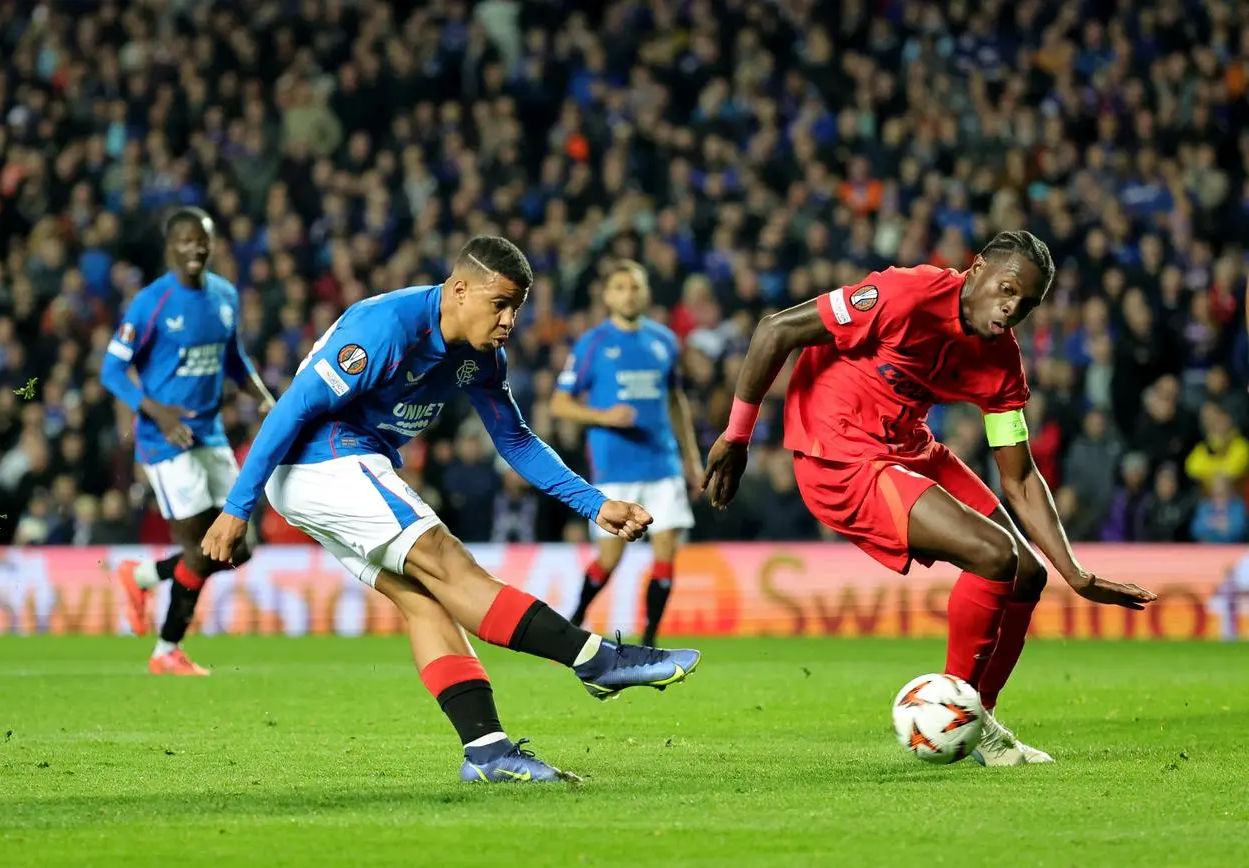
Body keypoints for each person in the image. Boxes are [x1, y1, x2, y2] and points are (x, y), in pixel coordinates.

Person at [200, 235, 701, 784]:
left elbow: (515, 441)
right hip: (323, 458)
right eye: (500, 304)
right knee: (446, 560)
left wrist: (594, 501)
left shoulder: (481, 356)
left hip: (339, 470)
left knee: (426, 602)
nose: (509, 320)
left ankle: (486, 751)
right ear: (459, 290)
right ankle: (598, 660)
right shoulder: (387, 328)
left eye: (517, 308)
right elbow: (291, 410)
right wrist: (235, 508)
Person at [703, 230, 1157, 766]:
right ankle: (958, 712)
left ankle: (979, 719)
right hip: (842, 455)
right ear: (979, 266)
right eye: (1007, 289)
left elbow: (1022, 477)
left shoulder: (1001, 363)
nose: (1012, 309)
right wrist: (737, 436)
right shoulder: (905, 295)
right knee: (993, 555)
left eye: (1027, 304)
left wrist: (1075, 574)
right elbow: (775, 329)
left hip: (907, 445)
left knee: (1029, 572)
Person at [101, 208, 275, 675]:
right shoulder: (150, 303)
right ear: (170, 246)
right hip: (164, 440)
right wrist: (155, 410)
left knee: (241, 546)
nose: (195, 248)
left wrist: (264, 400)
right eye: (185, 240)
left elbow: (235, 358)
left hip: (210, 433)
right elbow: (111, 370)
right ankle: (166, 650)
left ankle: (140, 577)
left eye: (203, 240)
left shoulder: (225, 296)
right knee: (202, 548)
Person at [551, 260, 703, 644]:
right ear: (607, 295)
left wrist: (692, 459)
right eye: (619, 287)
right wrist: (602, 415)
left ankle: (650, 638)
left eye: (634, 287)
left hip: (662, 462)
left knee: (666, 551)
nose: (628, 294)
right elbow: (559, 404)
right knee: (610, 559)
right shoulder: (593, 343)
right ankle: (575, 618)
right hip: (614, 468)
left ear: (645, 292)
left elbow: (676, 401)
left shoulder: (665, 340)